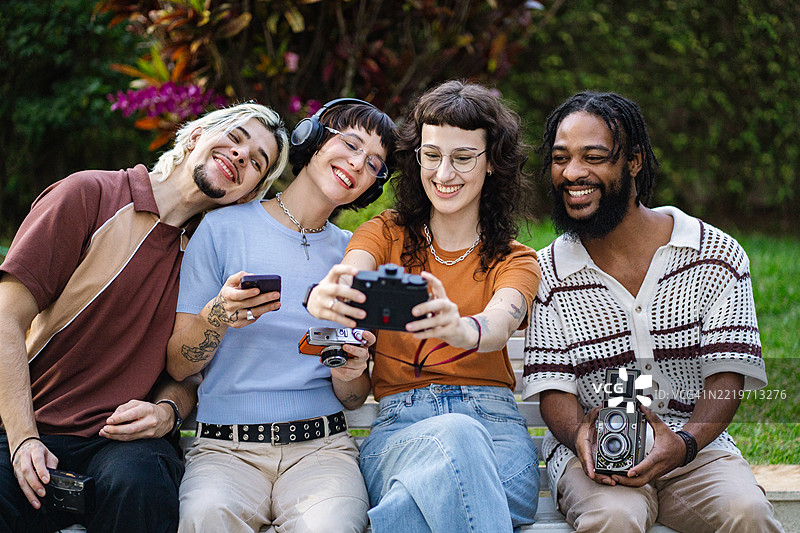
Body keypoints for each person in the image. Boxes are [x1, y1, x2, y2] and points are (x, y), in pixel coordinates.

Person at [0, 101, 290, 533]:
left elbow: (187, 373)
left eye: (257, 162)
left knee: (143, 483)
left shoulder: (211, 256)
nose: (242, 156)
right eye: (235, 137)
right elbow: (6, 317)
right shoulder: (89, 195)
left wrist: (168, 412)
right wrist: (24, 438)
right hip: (28, 425)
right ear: (196, 137)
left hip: (125, 446)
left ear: (248, 193)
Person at [522, 91, 784, 533]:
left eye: (594, 157)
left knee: (747, 513)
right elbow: (554, 389)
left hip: (695, 450)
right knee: (613, 516)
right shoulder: (547, 271)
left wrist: (684, 444)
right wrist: (580, 437)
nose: (572, 173)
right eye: (560, 158)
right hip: (596, 454)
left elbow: (727, 374)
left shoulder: (715, 255)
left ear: (634, 162)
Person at [305, 80, 541, 533]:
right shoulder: (386, 233)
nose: (444, 173)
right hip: (399, 433)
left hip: (496, 438)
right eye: (432, 155)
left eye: (463, 157)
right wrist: (331, 291)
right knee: (453, 450)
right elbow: (354, 272)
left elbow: (496, 324)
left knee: (414, 504)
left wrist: (459, 329)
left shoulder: (515, 260)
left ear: (492, 163)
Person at [165, 98, 397, 533]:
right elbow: (179, 363)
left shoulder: (356, 255)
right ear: (311, 139)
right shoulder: (221, 229)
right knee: (205, 518)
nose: (357, 164)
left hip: (322, 451)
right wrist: (218, 314)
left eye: (372, 164)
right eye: (349, 144)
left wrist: (350, 371)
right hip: (224, 451)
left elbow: (353, 397)